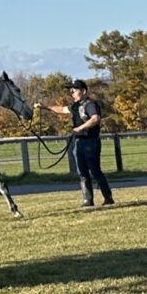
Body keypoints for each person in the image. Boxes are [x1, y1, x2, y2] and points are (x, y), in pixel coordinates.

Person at [39, 80, 113, 208]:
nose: (71, 92)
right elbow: (61, 109)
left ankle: (108, 198)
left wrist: (80, 128)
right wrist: (44, 107)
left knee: (95, 171)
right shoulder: (74, 106)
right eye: (71, 89)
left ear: (83, 91)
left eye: (75, 89)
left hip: (91, 142)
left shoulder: (90, 105)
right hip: (79, 143)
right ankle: (87, 200)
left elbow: (95, 119)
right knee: (82, 172)